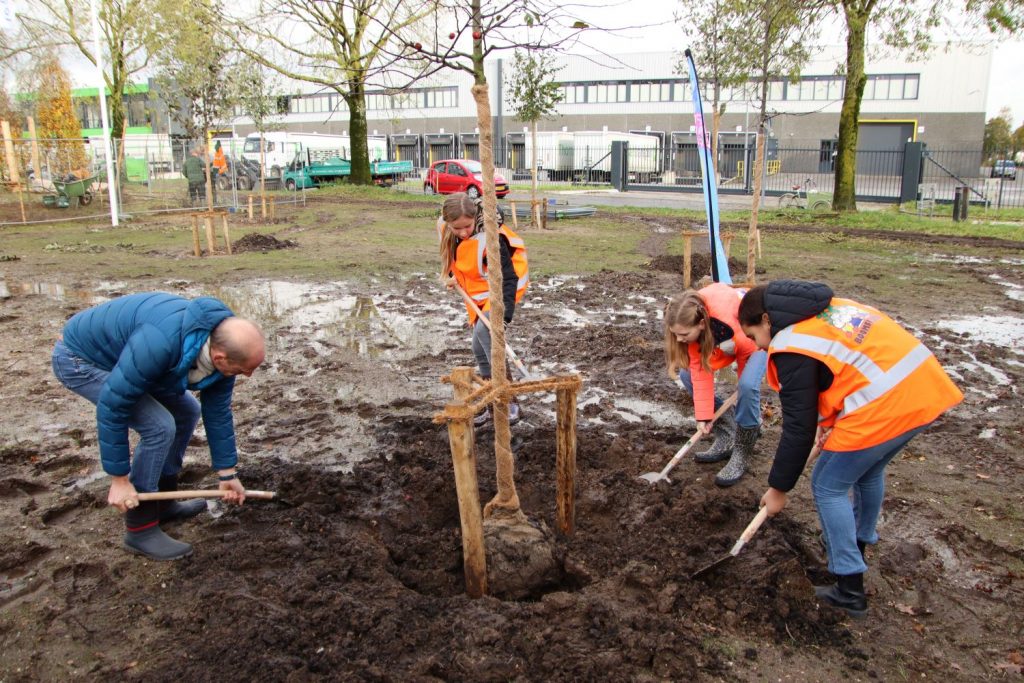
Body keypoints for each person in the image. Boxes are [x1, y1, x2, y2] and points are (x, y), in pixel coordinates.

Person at [737, 280, 962, 618]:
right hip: (923, 389)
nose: (756, 347)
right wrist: (830, 424)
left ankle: (848, 588)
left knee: (827, 483)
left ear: (767, 320)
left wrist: (778, 489)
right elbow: (842, 370)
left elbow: (798, 428)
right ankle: (855, 547)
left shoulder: (792, 345)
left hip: (887, 404)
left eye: (753, 336)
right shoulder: (826, 310)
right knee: (867, 471)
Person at [51, 292, 266, 561]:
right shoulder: (160, 342)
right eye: (245, 369)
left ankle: (163, 502)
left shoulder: (219, 347)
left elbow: (218, 412)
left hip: (129, 361)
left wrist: (227, 473)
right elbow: (113, 405)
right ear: (220, 357)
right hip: (80, 360)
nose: (248, 375)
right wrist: (119, 479)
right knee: (160, 426)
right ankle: (140, 528)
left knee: (188, 411)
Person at [437, 192, 528, 426]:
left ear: (475, 217)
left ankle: (508, 402)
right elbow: (455, 259)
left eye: (466, 227)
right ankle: (491, 403)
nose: (462, 233)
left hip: (503, 289)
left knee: (485, 335)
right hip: (478, 293)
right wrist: (450, 276)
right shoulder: (449, 229)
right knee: (477, 345)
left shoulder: (492, 237)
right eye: (456, 229)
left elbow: (509, 279)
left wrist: (504, 317)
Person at [663, 283, 767, 486]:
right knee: (688, 375)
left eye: (684, 335)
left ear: (701, 324)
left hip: (754, 340)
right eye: (675, 334)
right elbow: (700, 370)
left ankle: (742, 450)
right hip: (719, 339)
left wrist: (745, 387)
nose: (678, 339)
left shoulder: (729, 322)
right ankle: (727, 433)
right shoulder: (689, 318)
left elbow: (749, 348)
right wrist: (704, 416)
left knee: (747, 387)